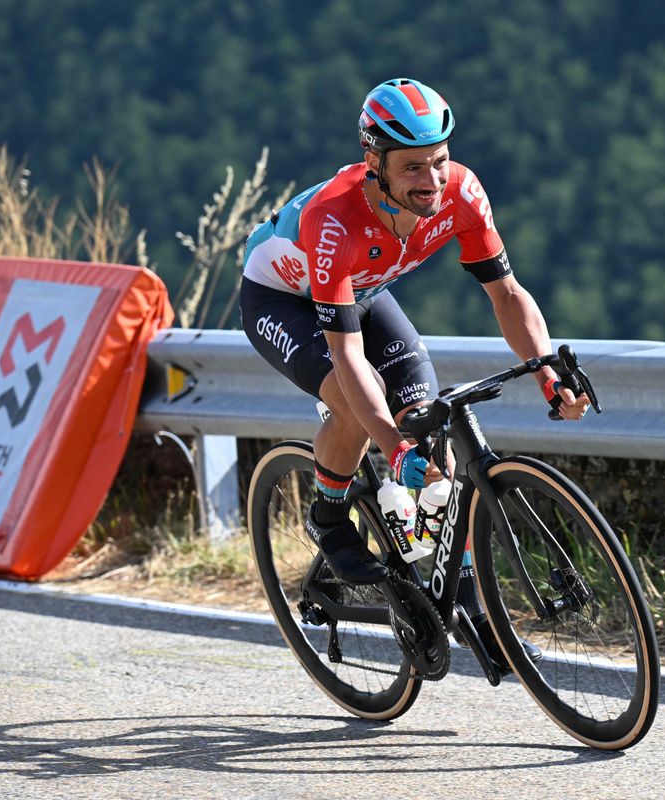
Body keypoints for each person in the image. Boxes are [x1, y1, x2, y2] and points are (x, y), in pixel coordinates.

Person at [240, 77, 589, 588]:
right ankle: (330, 516)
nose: (432, 180)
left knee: (429, 427)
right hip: (281, 300)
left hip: (363, 290)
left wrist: (547, 375)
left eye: (440, 160)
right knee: (357, 402)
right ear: (373, 161)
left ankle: (459, 589)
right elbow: (348, 357)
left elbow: (508, 294)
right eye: (412, 167)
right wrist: (393, 447)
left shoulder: (463, 194)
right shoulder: (334, 220)